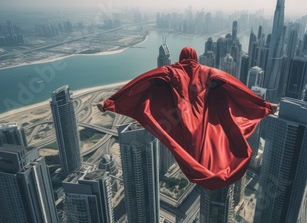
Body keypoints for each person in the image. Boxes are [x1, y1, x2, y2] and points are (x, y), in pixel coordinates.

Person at [97, 47, 277, 190]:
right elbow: (234, 84)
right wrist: (264, 105)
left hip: (181, 120)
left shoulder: (171, 71)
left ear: (181, 57)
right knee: (209, 145)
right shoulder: (207, 71)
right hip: (201, 117)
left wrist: (110, 102)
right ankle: (210, 174)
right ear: (196, 57)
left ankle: (200, 172)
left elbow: (143, 79)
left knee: (183, 146)